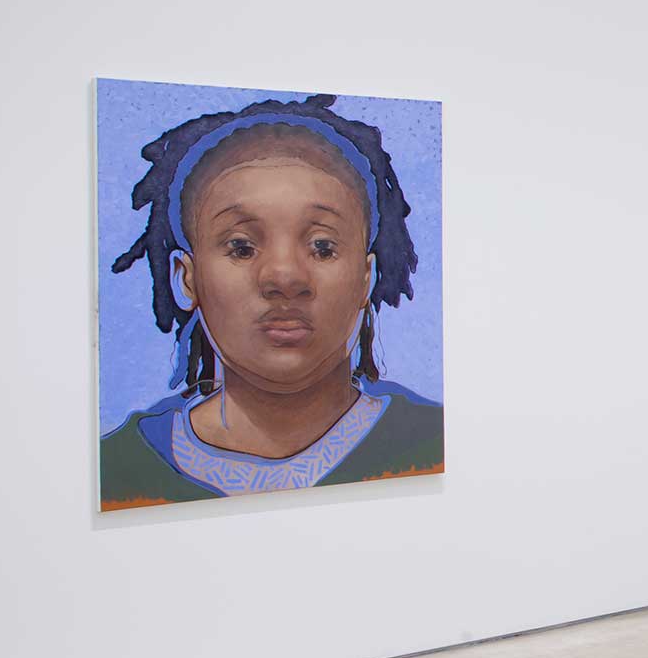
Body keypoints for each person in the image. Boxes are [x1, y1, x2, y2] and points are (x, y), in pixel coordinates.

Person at [101, 95, 442, 510]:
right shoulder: (118, 467)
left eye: (322, 247)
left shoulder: (430, 444)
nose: (285, 278)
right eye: (242, 248)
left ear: (365, 277)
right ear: (186, 278)